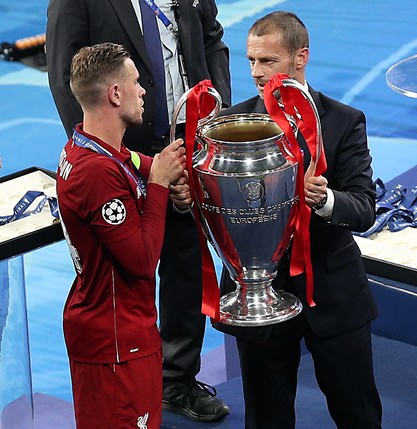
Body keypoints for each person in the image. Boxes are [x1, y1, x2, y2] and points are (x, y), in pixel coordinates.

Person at [46, 0, 231, 421]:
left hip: (179, 145)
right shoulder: (94, 170)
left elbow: (210, 38)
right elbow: (65, 74)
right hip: (120, 150)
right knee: (130, 266)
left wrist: (210, 116)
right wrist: (114, 157)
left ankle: (177, 379)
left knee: (186, 264)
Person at [216, 11, 383, 429]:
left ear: (300, 57)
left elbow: (363, 209)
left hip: (332, 291)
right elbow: (210, 207)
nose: (256, 72)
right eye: (251, 60)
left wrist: (325, 199)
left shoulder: (344, 122)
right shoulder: (228, 127)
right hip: (259, 294)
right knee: (266, 419)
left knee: (358, 414)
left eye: (267, 61)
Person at [56, 42, 190, 429]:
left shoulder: (87, 147)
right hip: (117, 340)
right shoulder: (97, 172)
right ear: (115, 94)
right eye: (135, 82)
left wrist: (164, 170)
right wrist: (162, 186)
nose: (144, 90)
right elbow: (143, 261)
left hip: (110, 326)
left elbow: (143, 165)